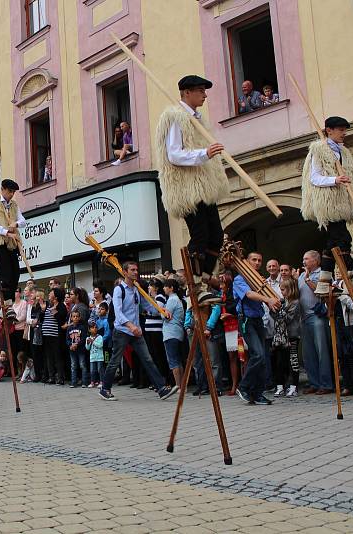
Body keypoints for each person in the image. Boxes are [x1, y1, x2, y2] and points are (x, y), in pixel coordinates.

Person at [156, 75, 228, 304]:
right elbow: (174, 154)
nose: (205, 95)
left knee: (216, 235)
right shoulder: (176, 117)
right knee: (200, 235)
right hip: (188, 189)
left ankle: (204, 278)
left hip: (204, 186)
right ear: (186, 92)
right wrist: (204, 154)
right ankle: (194, 285)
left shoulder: (198, 119)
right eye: (200, 90)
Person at [301, 116, 353, 295]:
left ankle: (325, 279)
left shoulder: (344, 151)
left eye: (345, 130)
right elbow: (314, 177)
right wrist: (335, 179)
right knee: (343, 239)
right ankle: (351, 273)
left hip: (340, 203)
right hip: (328, 204)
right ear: (329, 130)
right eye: (341, 130)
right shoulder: (319, 149)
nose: (344, 133)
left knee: (333, 242)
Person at [98, 261, 175, 401]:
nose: (136, 272)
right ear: (125, 272)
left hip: (136, 332)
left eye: (136, 270)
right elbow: (118, 313)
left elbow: (148, 306)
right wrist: (130, 326)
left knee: (148, 359)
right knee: (115, 361)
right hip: (122, 331)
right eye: (132, 270)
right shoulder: (119, 290)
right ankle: (105, 389)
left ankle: (161, 389)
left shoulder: (137, 289)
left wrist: (162, 311)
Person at [234, 252, 281, 405]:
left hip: (258, 319)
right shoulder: (239, 279)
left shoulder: (258, 280)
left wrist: (272, 302)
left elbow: (263, 296)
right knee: (258, 354)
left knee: (263, 357)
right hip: (246, 319)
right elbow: (248, 294)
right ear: (247, 262)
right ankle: (244, 387)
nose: (257, 263)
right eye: (254, 260)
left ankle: (258, 393)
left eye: (260, 260)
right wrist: (268, 299)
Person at [0, 179, 27, 312]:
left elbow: (22, 220)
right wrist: (7, 232)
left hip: (11, 244)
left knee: (16, 273)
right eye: (9, 191)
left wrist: (16, 224)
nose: (12, 194)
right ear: (2, 190)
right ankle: (6, 304)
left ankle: (10, 303)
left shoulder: (13, 205)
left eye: (13, 192)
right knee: (6, 274)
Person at [298, 250, 333, 394]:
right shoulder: (300, 275)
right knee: (308, 353)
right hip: (304, 318)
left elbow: (322, 292)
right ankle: (314, 382)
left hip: (317, 316)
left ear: (316, 261)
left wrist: (308, 280)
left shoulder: (323, 274)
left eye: (306, 259)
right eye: (303, 259)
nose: (304, 261)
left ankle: (326, 384)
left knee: (322, 351)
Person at [270, 277, 302, 397]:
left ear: (290, 289)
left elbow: (288, 319)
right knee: (280, 362)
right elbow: (275, 316)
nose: (281, 292)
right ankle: (280, 386)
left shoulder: (295, 303)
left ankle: (293, 386)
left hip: (292, 336)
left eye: (283, 289)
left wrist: (279, 310)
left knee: (293, 361)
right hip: (280, 337)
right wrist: (273, 309)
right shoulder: (283, 301)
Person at [161, 279, 186, 391]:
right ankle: (182, 385)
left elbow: (165, 315)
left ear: (171, 288)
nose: (164, 288)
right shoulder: (177, 300)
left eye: (166, 286)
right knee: (178, 359)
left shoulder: (172, 300)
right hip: (177, 331)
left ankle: (178, 385)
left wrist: (162, 310)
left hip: (171, 332)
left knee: (173, 360)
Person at [41, 287, 67, 384]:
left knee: (57, 356)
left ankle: (60, 377)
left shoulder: (61, 306)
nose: (49, 294)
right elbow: (42, 318)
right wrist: (42, 311)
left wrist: (53, 310)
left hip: (56, 335)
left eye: (51, 293)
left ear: (55, 296)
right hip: (46, 335)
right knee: (49, 356)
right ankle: (51, 377)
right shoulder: (47, 305)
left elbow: (61, 318)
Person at [66, 309, 88, 388]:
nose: (75, 318)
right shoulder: (69, 328)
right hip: (72, 350)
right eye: (73, 316)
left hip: (80, 349)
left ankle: (84, 382)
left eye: (77, 316)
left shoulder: (82, 328)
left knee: (82, 365)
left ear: (79, 318)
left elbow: (84, 338)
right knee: (73, 365)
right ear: (71, 318)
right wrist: (70, 345)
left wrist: (77, 345)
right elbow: (67, 339)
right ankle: (73, 382)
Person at [86, 321, 104, 388]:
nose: (95, 329)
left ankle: (102, 382)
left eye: (96, 327)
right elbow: (87, 348)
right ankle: (93, 382)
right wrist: (88, 343)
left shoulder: (100, 337)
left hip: (99, 357)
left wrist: (93, 341)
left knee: (100, 369)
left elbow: (100, 345)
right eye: (92, 327)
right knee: (92, 370)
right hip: (92, 357)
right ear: (89, 329)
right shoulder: (88, 338)